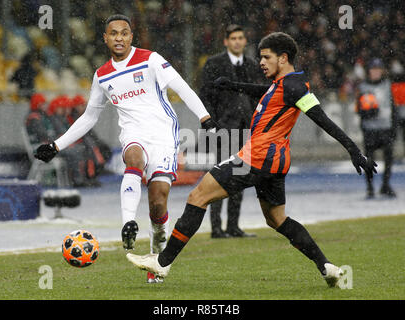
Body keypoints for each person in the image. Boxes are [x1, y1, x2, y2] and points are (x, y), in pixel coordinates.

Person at [126, 32, 377, 288]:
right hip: (276, 162)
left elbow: (323, 119)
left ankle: (163, 262)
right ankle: (326, 267)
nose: (261, 62)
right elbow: (264, 92)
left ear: (283, 58)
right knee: (277, 219)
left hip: (256, 158)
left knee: (197, 197)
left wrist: (354, 151)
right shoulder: (284, 84)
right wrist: (232, 85)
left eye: (266, 57)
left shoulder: (294, 87)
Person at [33, 14, 217, 283]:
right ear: (105, 38)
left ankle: (157, 253)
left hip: (163, 134)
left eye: (124, 33)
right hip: (133, 134)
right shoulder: (102, 75)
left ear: (131, 37)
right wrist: (56, 145)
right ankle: (128, 223)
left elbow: (183, 87)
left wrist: (205, 117)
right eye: (113, 33)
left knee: (158, 201)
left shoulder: (151, 59)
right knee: (132, 158)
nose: (119, 38)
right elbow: (88, 117)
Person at [200, 24, 264, 238]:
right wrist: (212, 123)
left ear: (245, 41)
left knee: (240, 177)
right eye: (233, 38)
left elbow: (257, 96)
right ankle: (217, 228)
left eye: (240, 37)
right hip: (222, 129)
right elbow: (205, 95)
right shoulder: (214, 64)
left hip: (246, 129)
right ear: (226, 41)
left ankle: (233, 226)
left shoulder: (253, 65)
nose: (237, 41)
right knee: (219, 177)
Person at [355, 58, 397, 198]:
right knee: (368, 160)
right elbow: (359, 109)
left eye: (378, 69)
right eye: (373, 69)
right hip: (370, 129)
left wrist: (394, 127)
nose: (376, 72)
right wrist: (367, 113)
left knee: (389, 158)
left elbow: (393, 107)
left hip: (386, 128)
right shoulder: (363, 87)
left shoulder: (387, 85)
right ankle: (370, 187)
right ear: (369, 71)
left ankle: (385, 185)